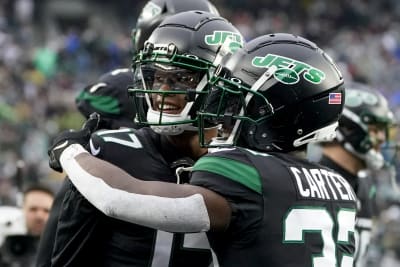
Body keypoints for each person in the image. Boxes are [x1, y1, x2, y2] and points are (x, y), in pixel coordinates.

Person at [48, 33, 357, 267]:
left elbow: (119, 198)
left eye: (240, 100)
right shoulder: (339, 186)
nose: (226, 111)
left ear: (278, 113)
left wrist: (71, 152)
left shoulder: (246, 170)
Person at [42, 9, 243, 267]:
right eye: (157, 77)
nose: (161, 92)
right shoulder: (107, 154)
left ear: (220, 85)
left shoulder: (247, 165)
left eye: (181, 78)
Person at [314, 83, 395, 267]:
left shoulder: (365, 181)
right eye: (375, 129)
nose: (382, 138)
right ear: (348, 128)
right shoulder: (313, 181)